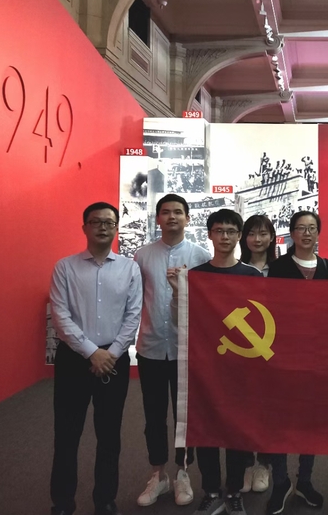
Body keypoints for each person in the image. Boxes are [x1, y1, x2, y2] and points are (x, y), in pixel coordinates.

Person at [49, 202, 142, 515]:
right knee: (67, 434)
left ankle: (105, 500)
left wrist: (110, 354)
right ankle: (63, 503)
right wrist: (92, 351)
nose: (103, 227)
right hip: (74, 359)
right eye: (96, 222)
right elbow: (60, 316)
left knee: (109, 434)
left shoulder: (130, 269)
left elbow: (133, 316)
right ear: (84, 227)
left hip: (114, 360)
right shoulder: (65, 267)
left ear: (116, 228)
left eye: (109, 222)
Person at [134, 194, 211, 507]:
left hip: (186, 350)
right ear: (158, 219)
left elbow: (207, 303)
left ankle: (182, 473)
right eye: (165, 212)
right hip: (151, 347)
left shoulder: (201, 256)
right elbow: (135, 300)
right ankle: (158, 474)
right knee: (153, 415)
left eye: (178, 212)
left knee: (185, 416)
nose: (172, 217)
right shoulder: (142, 256)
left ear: (188, 218)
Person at [264, 211, 328, 515]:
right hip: (282, 355)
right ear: (292, 233)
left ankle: (304, 480)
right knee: (279, 421)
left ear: (318, 232)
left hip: (318, 357)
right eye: (301, 228)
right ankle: (280, 482)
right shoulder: (278, 267)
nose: (307, 233)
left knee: (311, 421)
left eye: (312, 228)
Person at [191, 209, 262, 515]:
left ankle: (233, 491)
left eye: (231, 231)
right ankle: (210, 490)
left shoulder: (252, 275)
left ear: (239, 236)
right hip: (205, 366)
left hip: (241, 367)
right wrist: (179, 293)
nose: (225, 237)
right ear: (210, 234)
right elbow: (186, 320)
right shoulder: (196, 276)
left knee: (236, 429)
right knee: (205, 428)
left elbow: (262, 320)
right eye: (219, 231)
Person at [238, 214, 277, 492]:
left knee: (268, 407)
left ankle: (264, 463)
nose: (257, 239)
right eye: (252, 233)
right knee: (243, 406)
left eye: (263, 233)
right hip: (242, 347)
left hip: (273, 348)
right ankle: (244, 463)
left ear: (272, 237)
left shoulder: (281, 269)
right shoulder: (236, 268)